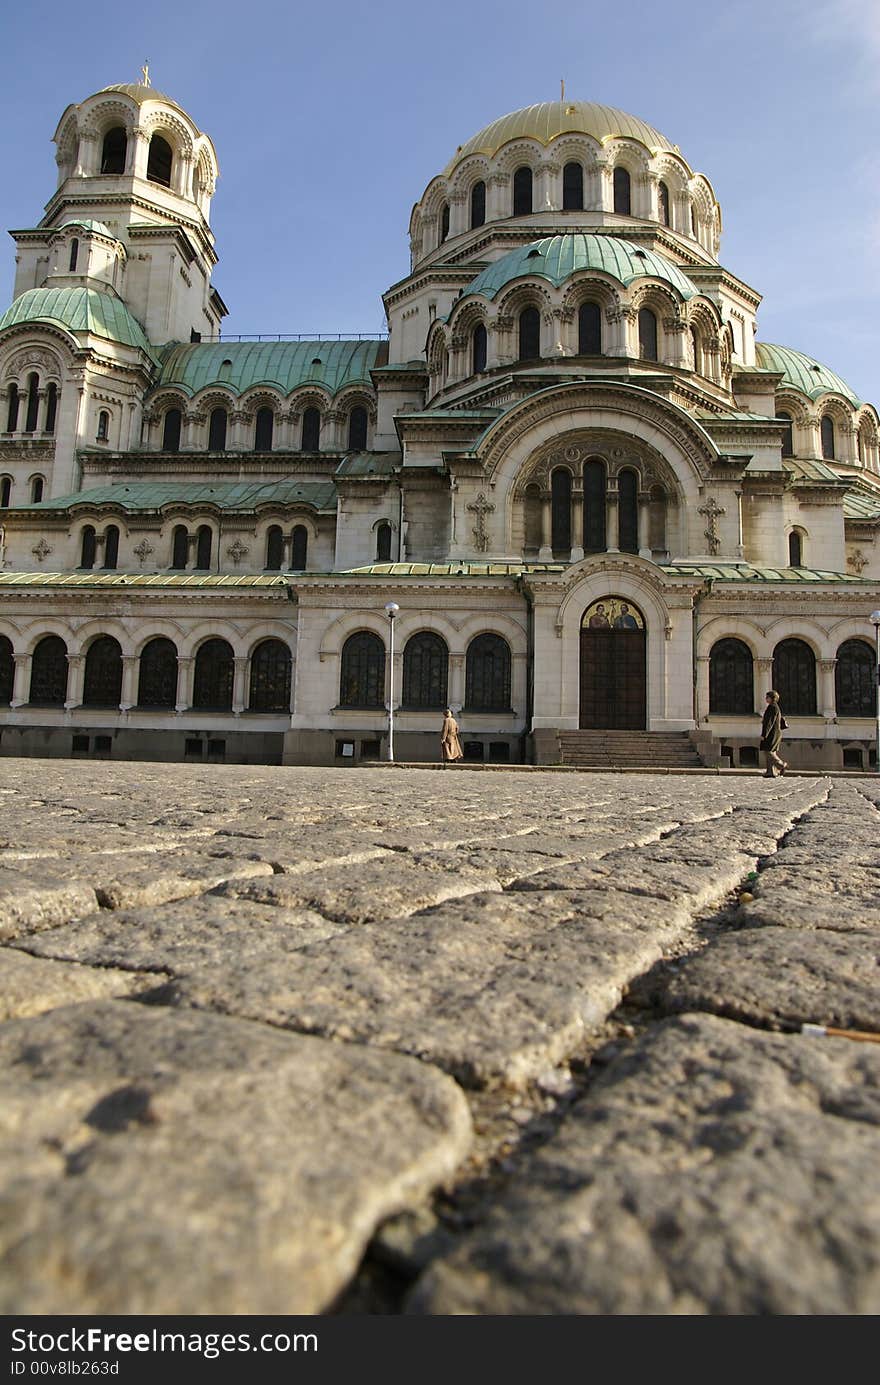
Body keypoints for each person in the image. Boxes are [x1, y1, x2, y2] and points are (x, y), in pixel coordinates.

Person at [760, 690, 788, 777]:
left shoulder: (772, 708)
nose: (766, 699)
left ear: (772, 698)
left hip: (772, 734)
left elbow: (769, 722)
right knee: (771, 751)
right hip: (775, 733)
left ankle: (781, 765)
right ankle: (770, 772)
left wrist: (764, 734)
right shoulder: (775, 707)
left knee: (768, 751)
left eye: (767, 697)